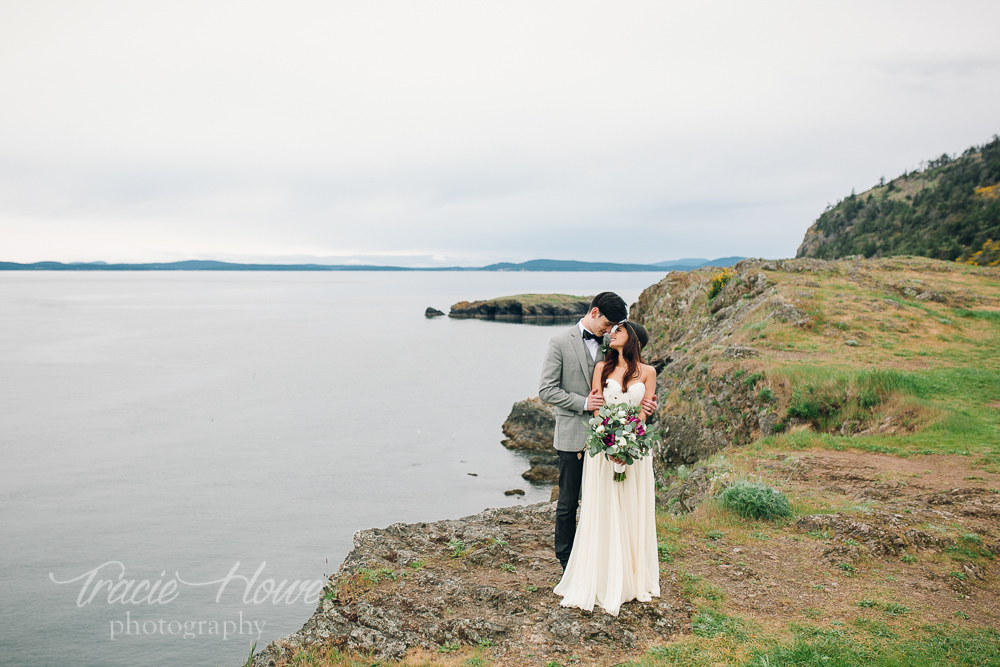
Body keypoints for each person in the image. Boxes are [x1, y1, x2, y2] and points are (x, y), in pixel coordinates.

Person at [538, 292, 656, 572]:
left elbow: (632, 380)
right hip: (571, 435)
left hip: (610, 440)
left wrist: (646, 405)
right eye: (608, 323)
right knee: (567, 502)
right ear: (594, 313)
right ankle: (567, 562)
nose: (610, 330)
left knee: (600, 502)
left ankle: (600, 560)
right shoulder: (559, 343)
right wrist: (583, 403)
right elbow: (546, 390)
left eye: (615, 326)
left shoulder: (612, 344)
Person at [553, 319, 660, 616]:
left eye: (619, 331)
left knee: (631, 509)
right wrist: (610, 441)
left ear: (632, 339)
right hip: (602, 450)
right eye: (612, 329)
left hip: (634, 451)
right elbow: (597, 407)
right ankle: (601, 574)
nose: (612, 334)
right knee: (601, 509)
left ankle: (631, 577)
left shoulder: (649, 372)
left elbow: (644, 413)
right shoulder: (602, 367)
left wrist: (627, 445)